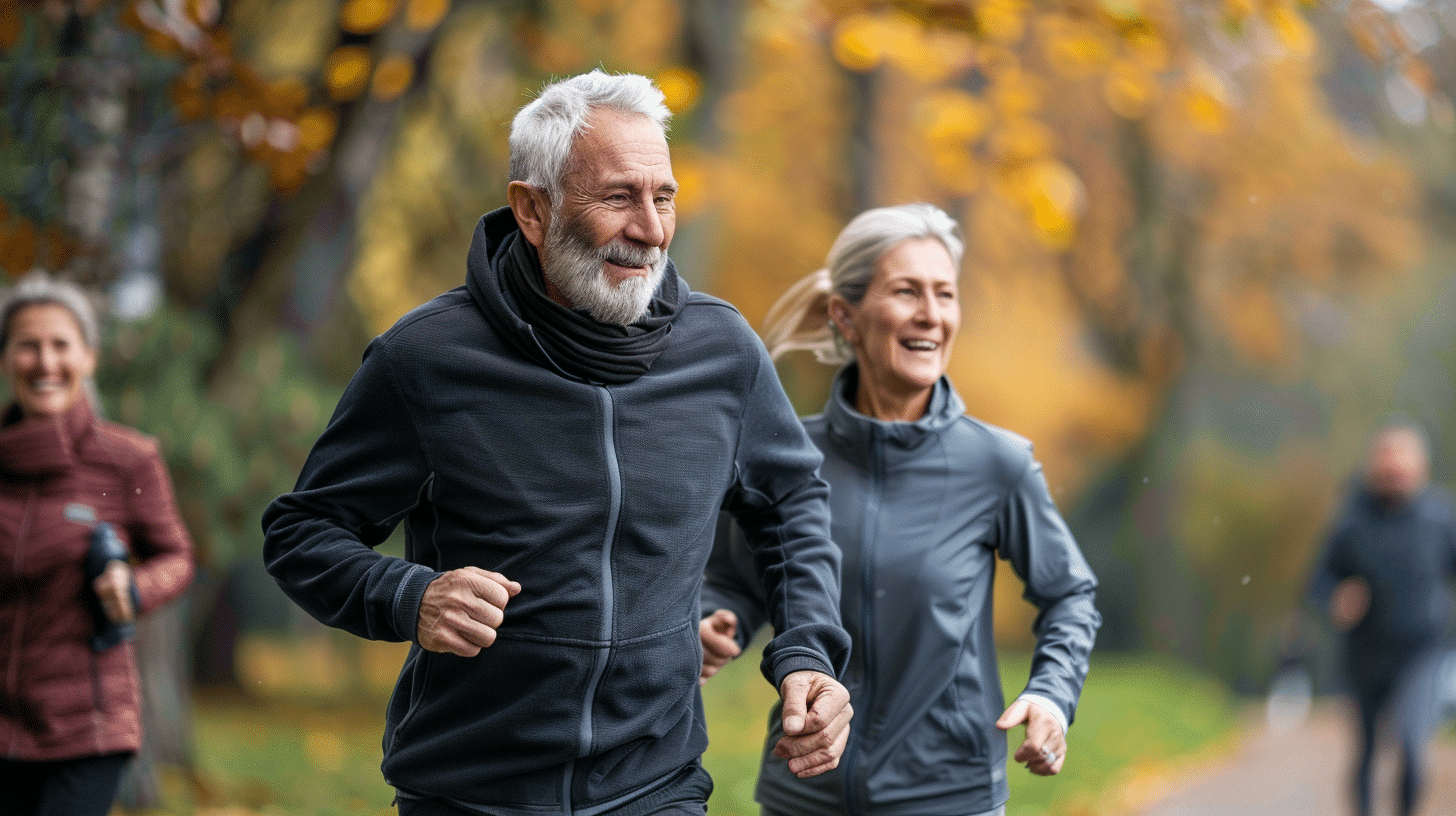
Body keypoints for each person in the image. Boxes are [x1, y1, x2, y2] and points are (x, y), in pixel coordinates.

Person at [261, 70, 852, 816]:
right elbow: (300, 533)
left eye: (663, 197)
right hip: (470, 794)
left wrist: (809, 654)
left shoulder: (722, 353)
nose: (650, 230)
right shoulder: (428, 360)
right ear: (532, 210)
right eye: (617, 197)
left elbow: (791, 502)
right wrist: (410, 596)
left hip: (656, 788)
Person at [699, 203, 1101, 816]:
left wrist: (1050, 694)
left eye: (945, 294)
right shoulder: (787, 458)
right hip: (803, 789)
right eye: (907, 292)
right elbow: (737, 577)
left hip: (948, 796)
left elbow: (1069, 595)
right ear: (846, 316)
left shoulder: (996, 465)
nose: (932, 316)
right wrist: (718, 616)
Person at [0, 273, 195, 816]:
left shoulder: (128, 459)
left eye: (60, 345)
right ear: (5, 358)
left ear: (87, 357)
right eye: (27, 345)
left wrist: (132, 587)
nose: (45, 362)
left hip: (88, 725)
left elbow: (177, 557)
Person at [1308, 422, 1456, 816]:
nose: (1394, 471)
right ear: (1373, 468)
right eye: (1386, 461)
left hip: (1421, 653)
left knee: (1412, 747)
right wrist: (1336, 598)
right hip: (1365, 656)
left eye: (1402, 460)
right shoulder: (1352, 521)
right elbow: (1319, 579)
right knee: (1368, 752)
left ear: (1420, 466)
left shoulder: (1441, 519)